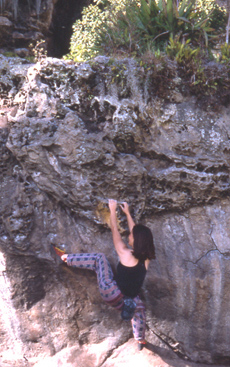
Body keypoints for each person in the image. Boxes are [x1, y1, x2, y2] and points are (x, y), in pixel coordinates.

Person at [58, 199, 155, 350]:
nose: (128, 236)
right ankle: (140, 340)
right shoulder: (147, 258)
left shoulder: (124, 252)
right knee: (140, 310)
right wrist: (128, 213)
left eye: (131, 236)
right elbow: (135, 232)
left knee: (99, 259)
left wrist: (112, 210)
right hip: (128, 301)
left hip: (111, 293)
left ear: (135, 241)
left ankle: (67, 259)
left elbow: (114, 231)